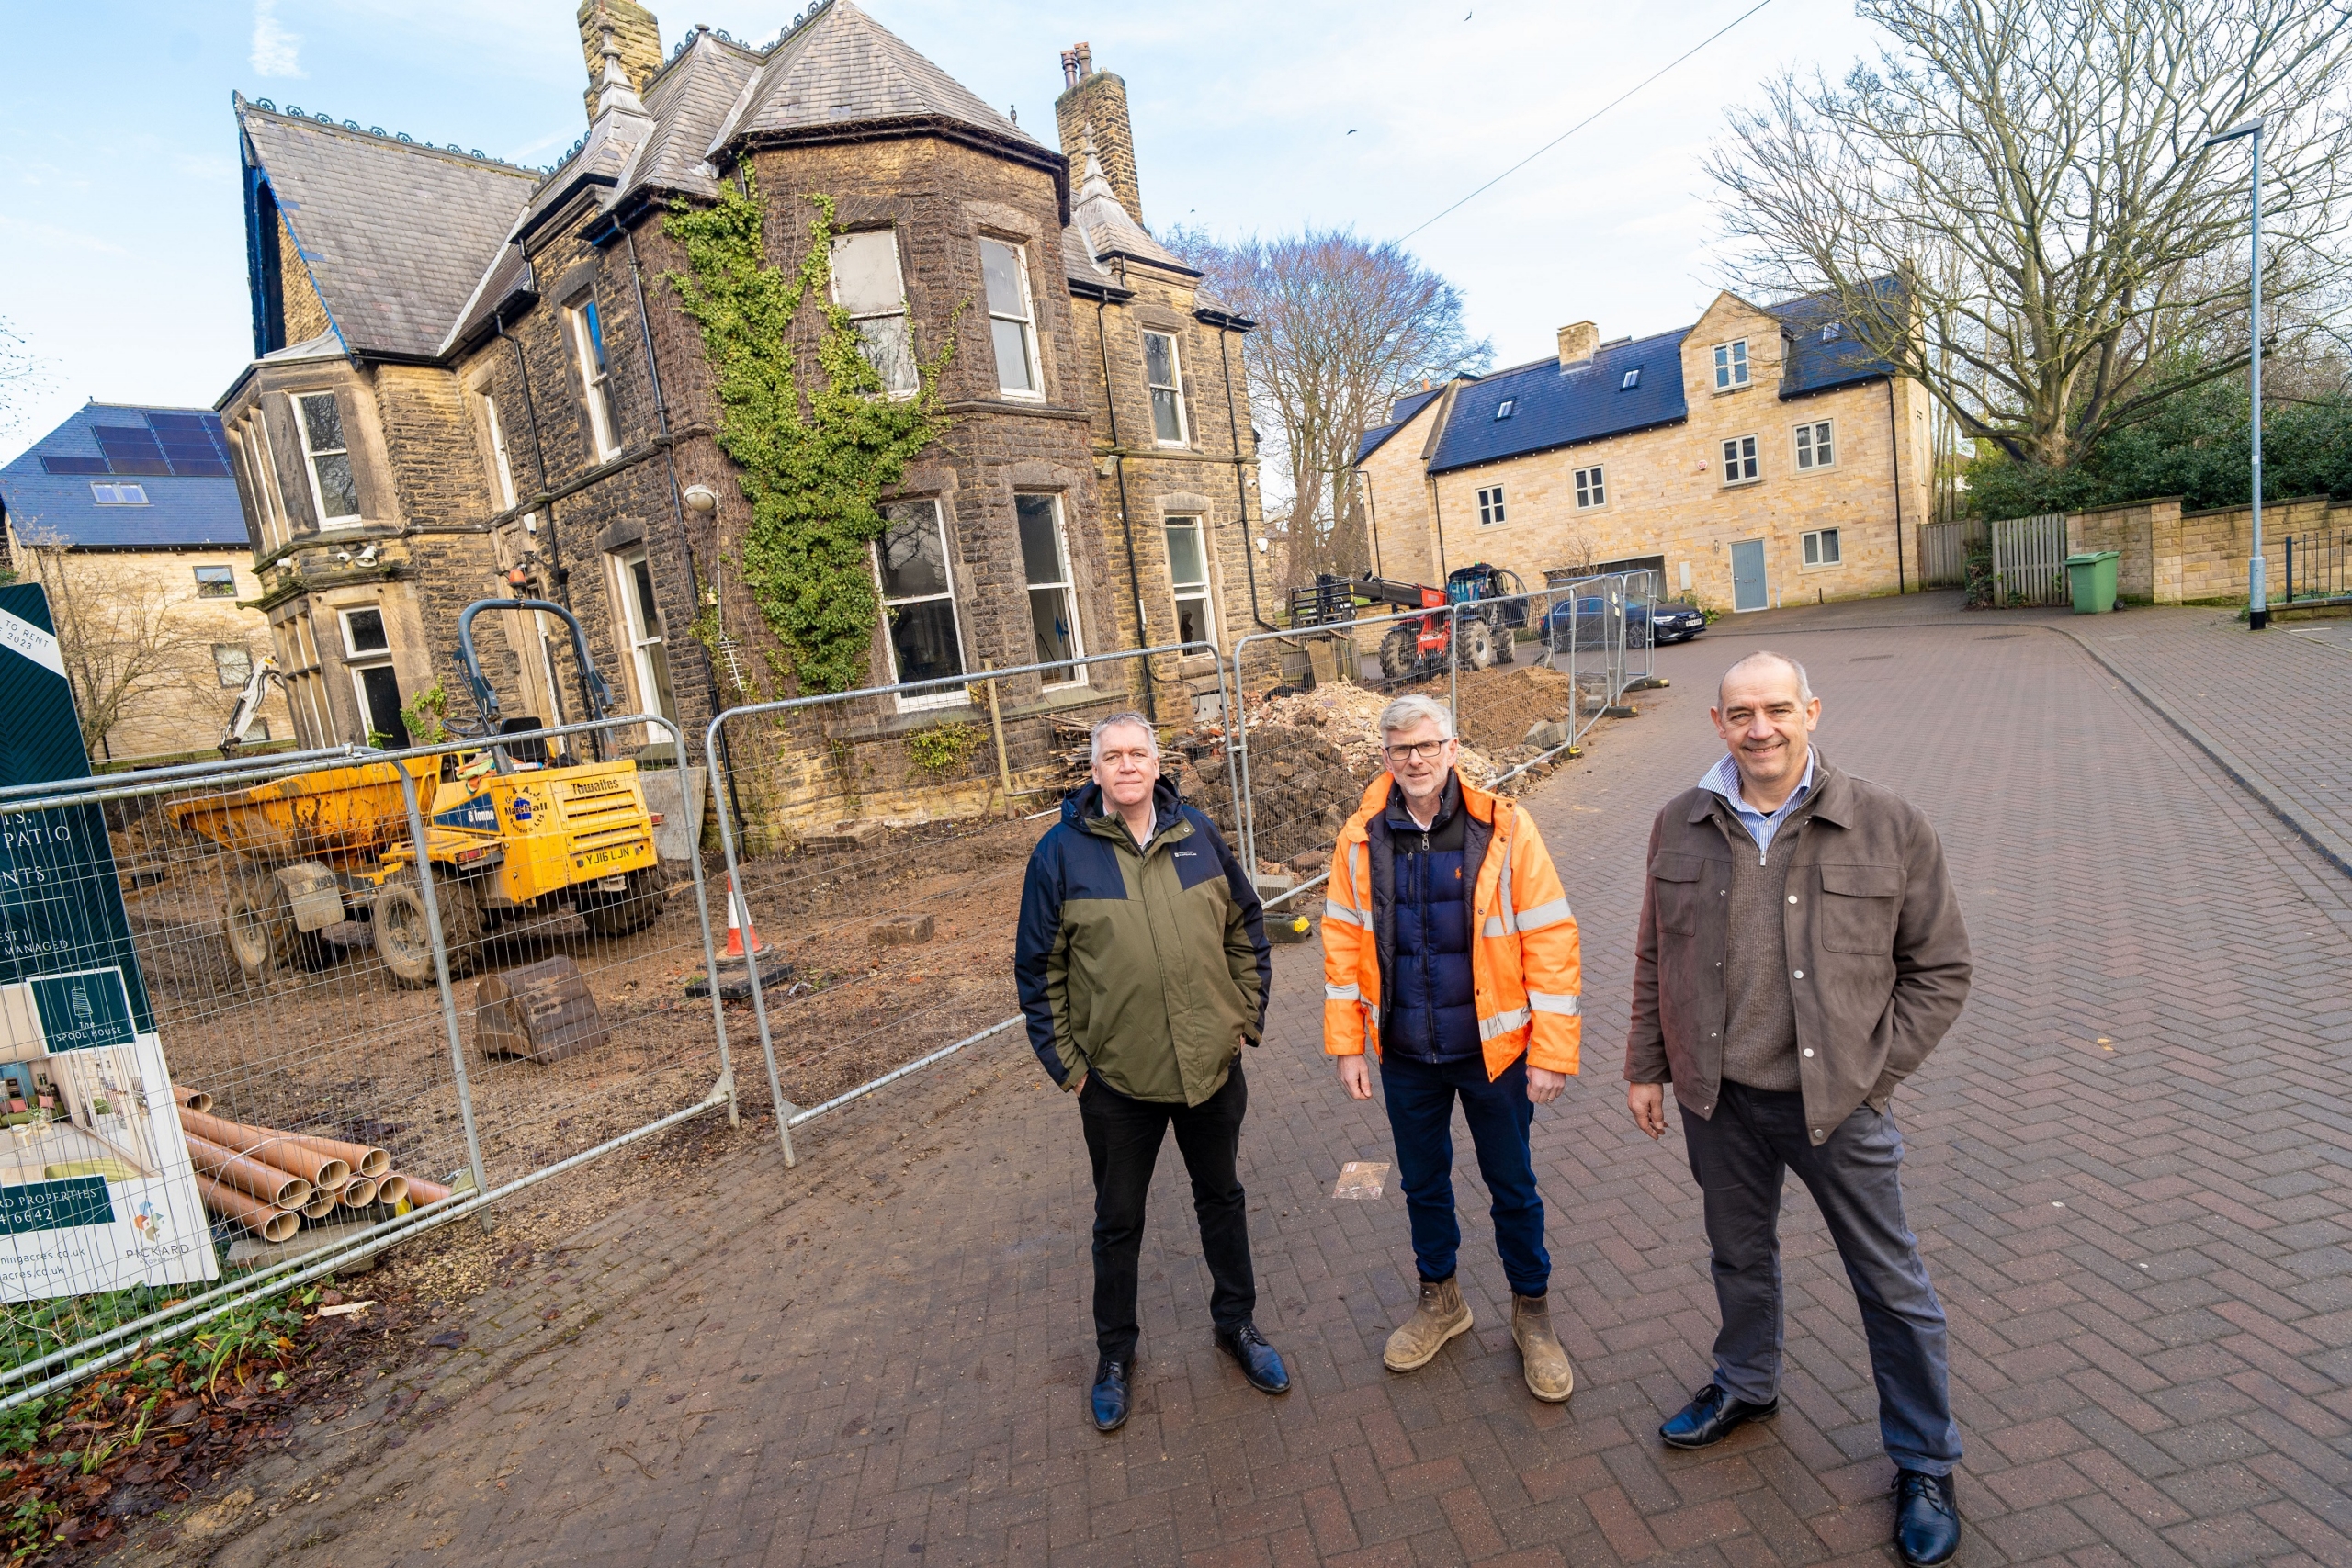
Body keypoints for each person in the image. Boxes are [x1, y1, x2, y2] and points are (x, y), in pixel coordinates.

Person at [1626, 650, 1973, 1568]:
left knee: (1891, 1286)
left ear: (1810, 712)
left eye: (1777, 708)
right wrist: (1646, 1067)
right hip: (1719, 1099)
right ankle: (1746, 1385)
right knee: (1738, 1255)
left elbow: (1939, 969)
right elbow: (1655, 958)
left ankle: (1925, 1462)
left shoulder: (1886, 823)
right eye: (1741, 713)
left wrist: (1873, 1070)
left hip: (1837, 1106)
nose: (1760, 728)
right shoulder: (1681, 822)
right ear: (1717, 724)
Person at [1015, 711, 1285, 1433]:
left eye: (1138, 753)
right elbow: (1038, 971)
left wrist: (1243, 1017)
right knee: (1118, 1222)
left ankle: (1238, 1325)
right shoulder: (1060, 855)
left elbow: (1245, 926)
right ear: (1095, 768)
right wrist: (1072, 1071)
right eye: (1113, 756)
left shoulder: (1197, 833)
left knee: (1222, 1198)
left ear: (1157, 761)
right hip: (1116, 1083)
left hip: (1209, 1068)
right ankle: (1114, 1354)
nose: (1127, 765)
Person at [1322, 694, 1583, 1402]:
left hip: (1493, 1053)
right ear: (1384, 756)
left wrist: (1554, 1049)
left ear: (1453, 748)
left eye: (1427, 745)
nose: (1415, 759)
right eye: (1401, 748)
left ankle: (1533, 1314)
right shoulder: (1361, 836)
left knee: (1513, 1187)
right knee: (1422, 1184)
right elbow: (1344, 942)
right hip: (1405, 1052)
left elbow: (1551, 936)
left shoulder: (1503, 826)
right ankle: (1441, 1299)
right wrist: (1349, 1044)